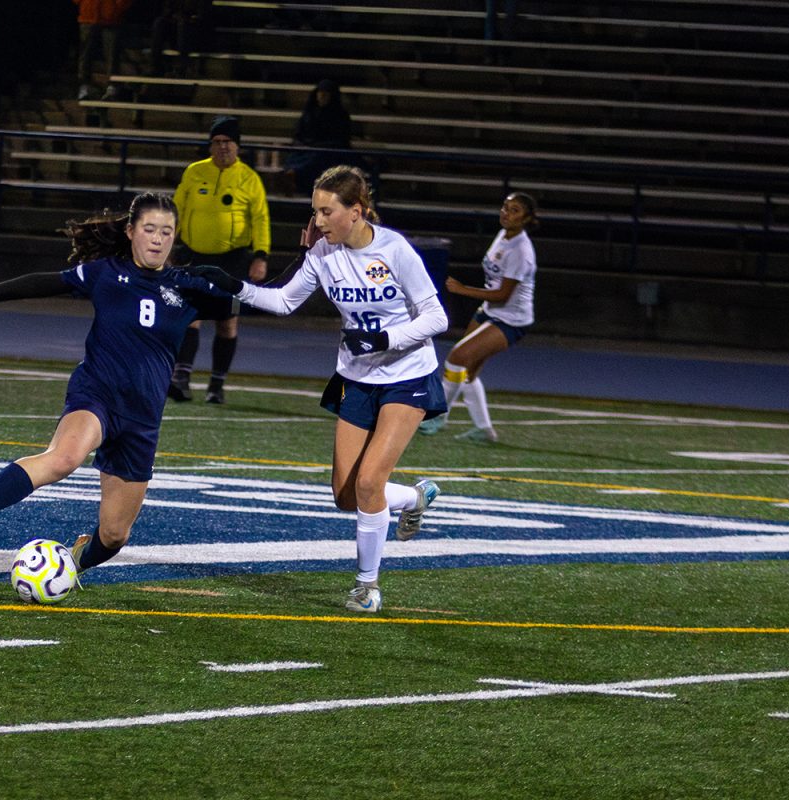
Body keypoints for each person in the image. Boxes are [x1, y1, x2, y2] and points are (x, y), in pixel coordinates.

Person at [0, 193, 236, 580]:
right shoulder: (106, 273)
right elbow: (42, 284)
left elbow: (274, 300)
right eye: (149, 229)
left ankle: (72, 564)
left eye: (166, 232)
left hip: (141, 421)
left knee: (113, 535)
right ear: (130, 231)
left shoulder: (190, 288)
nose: (157, 239)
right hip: (97, 394)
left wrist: (309, 260)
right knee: (64, 458)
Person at [187, 165, 447, 613]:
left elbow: (437, 317)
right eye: (315, 211)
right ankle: (414, 497)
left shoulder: (395, 250)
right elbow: (285, 301)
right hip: (355, 378)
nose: (318, 222)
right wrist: (234, 287)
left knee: (369, 482)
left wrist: (387, 339)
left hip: (407, 376)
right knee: (348, 496)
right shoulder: (324, 253)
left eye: (326, 212)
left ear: (357, 211)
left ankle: (367, 586)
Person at [168, 115, 271, 404]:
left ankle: (216, 385)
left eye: (228, 141)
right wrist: (168, 241)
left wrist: (260, 255)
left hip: (233, 259)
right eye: (217, 142)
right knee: (190, 317)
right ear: (210, 145)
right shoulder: (194, 172)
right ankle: (182, 378)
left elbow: (260, 219)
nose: (223, 147)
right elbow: (177, 208)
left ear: (238, 146)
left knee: (227, 321)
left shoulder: (249, 178)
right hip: (193, 254)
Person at [420, 191, 538, 443]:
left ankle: (438, 415)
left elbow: (504, 295)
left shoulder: (521, 250)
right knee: (468, 369)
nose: (506, 213)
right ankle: (484, 430)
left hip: (511, 319)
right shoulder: (504, 235)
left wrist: (463, 290)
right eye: (505, 207)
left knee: (457, 358)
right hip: (490, 311)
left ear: (527, 218)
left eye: (515, 210)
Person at [283, 79, 354, 195]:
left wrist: (316, 145)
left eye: (325, 95)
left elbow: (340, 139)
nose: (321, 97)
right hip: (307, 147)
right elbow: (299, 133)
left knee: (316, 158)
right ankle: (291, 177)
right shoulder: (309, 113)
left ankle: (294, 177)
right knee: (294, 156)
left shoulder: (340, 116)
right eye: (320, 94)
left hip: (328, 151)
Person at [74, 0, 133, 100]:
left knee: (112, 54)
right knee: (86, 54)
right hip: (89, 13)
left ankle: (112, 86)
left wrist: (116, 7)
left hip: (110, 17)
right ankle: (84, 86)